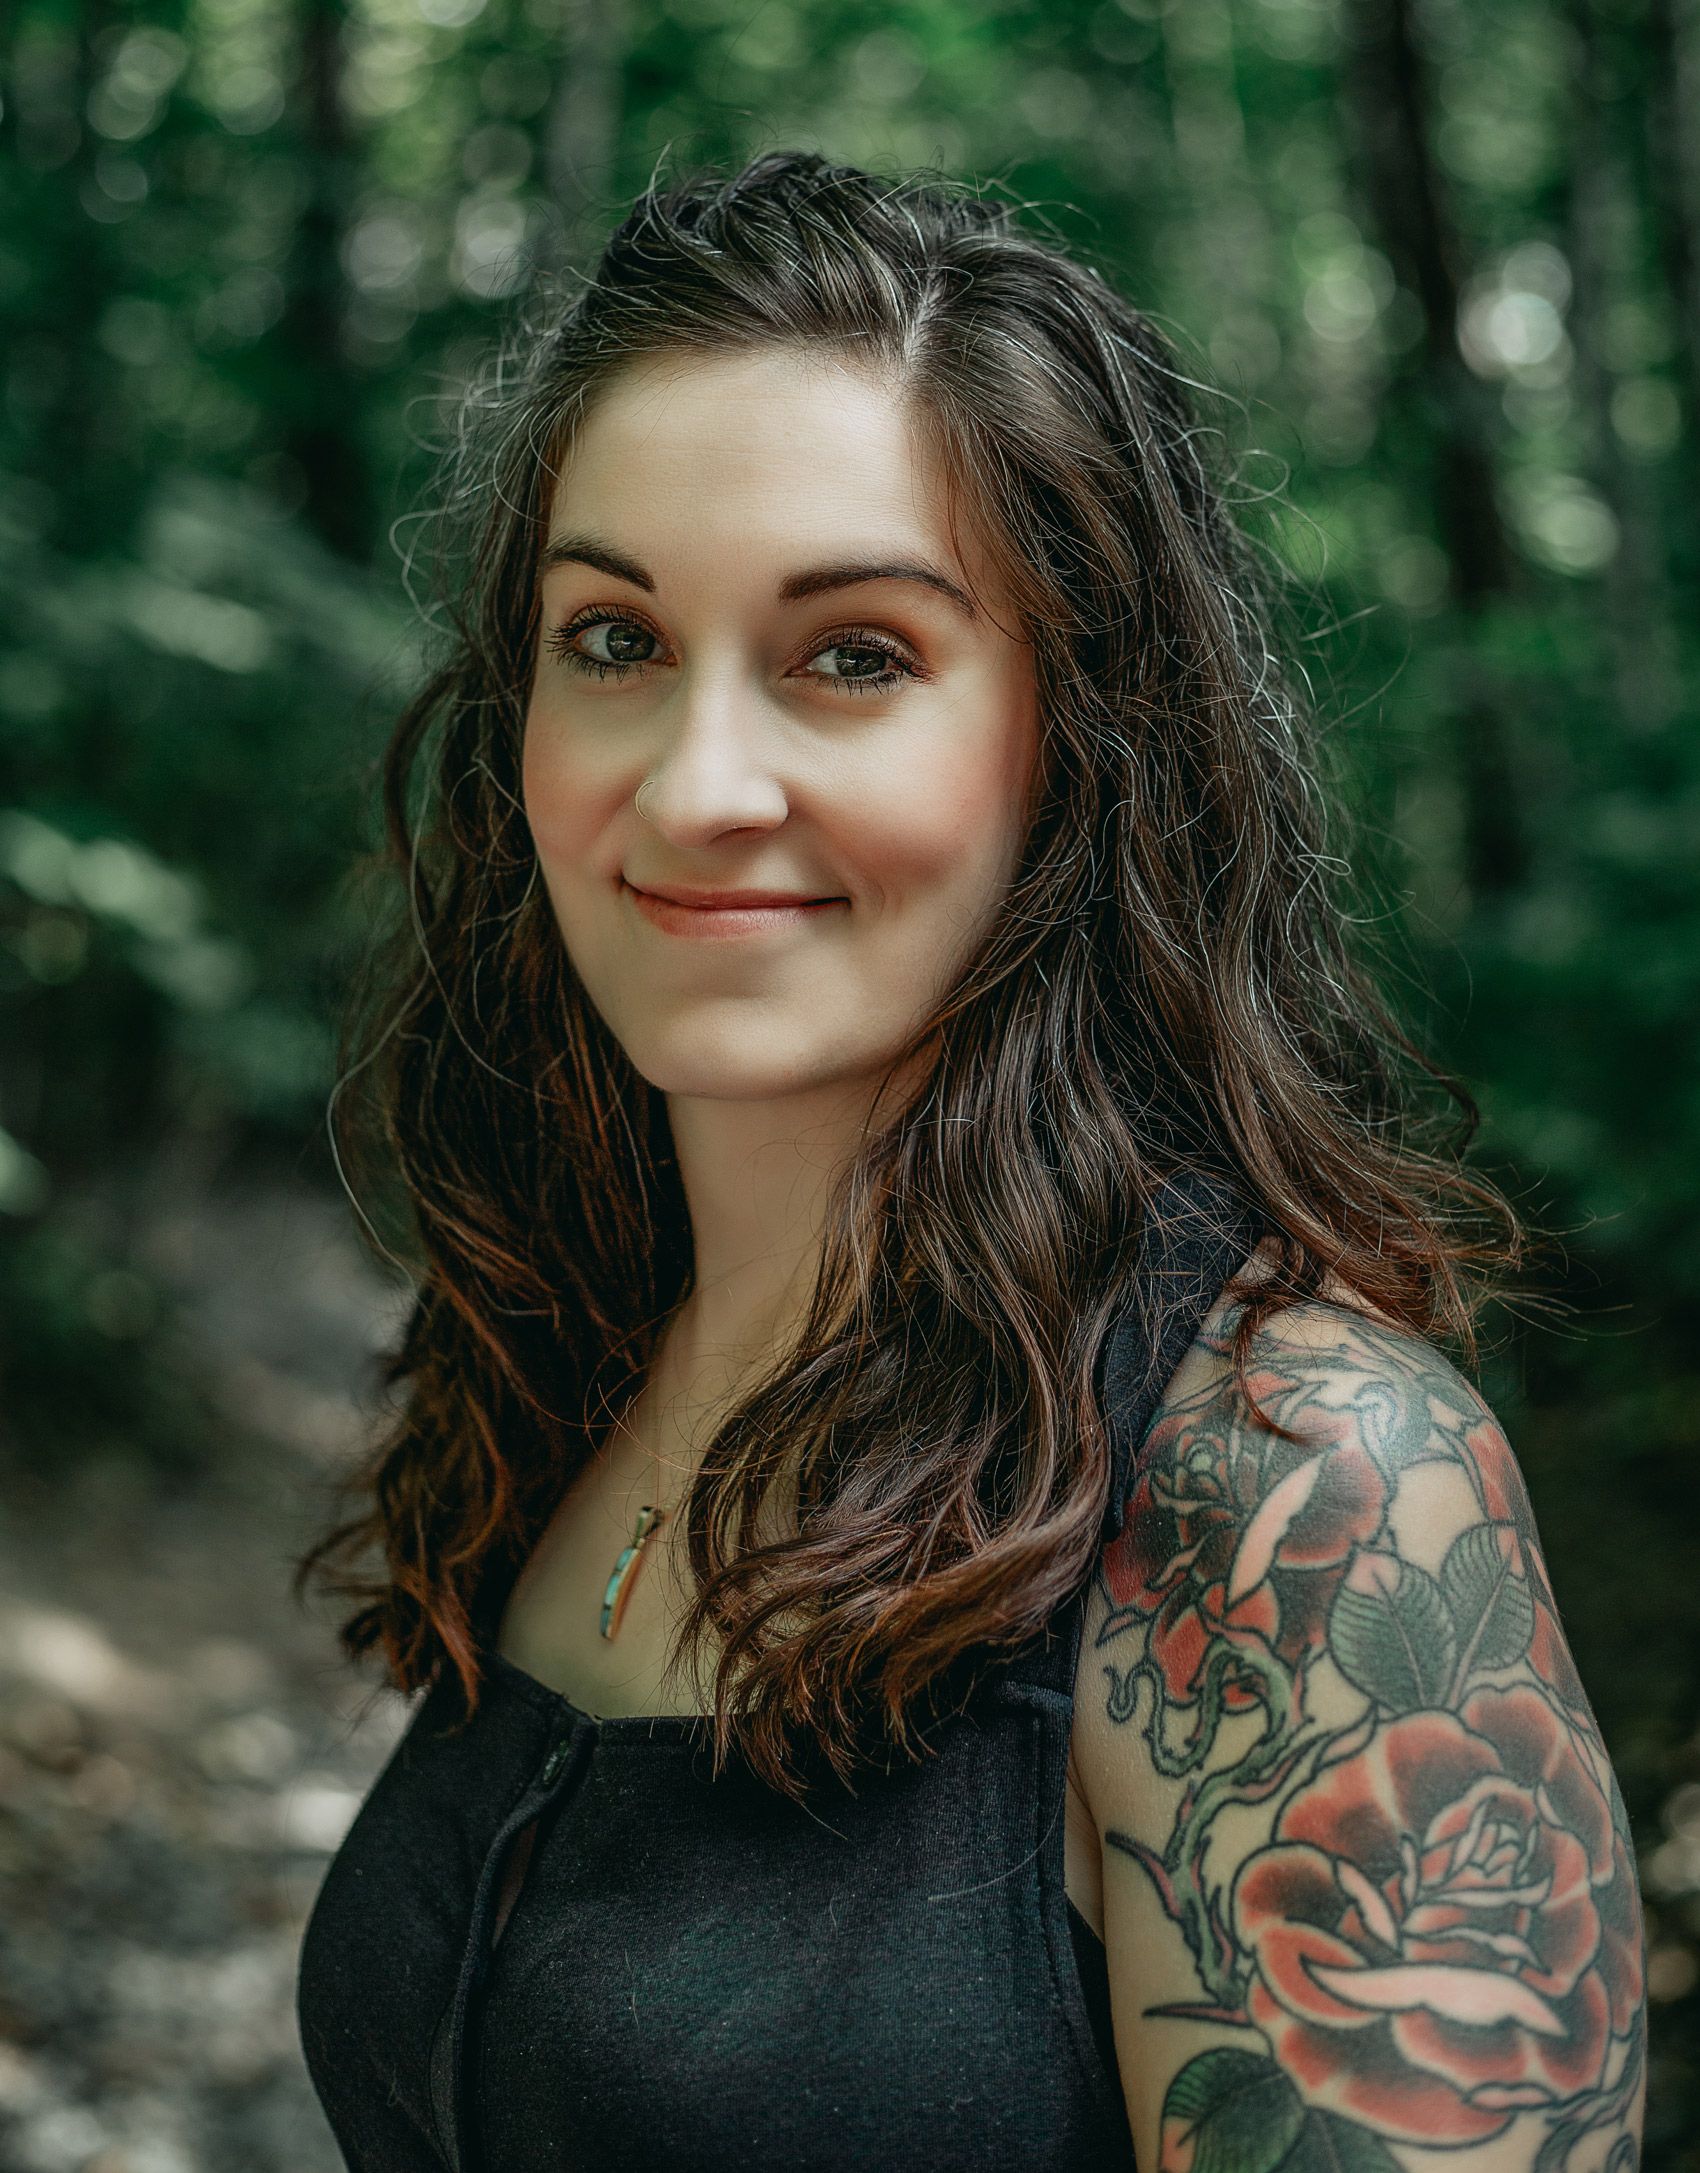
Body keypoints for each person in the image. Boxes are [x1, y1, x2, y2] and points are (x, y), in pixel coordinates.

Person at [292, 150, 1646, 2173]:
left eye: (854, 654)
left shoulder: (1300, 1487)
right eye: (611, 640)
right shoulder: (578, 1349)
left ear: (1076, 737)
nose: (699, 781)